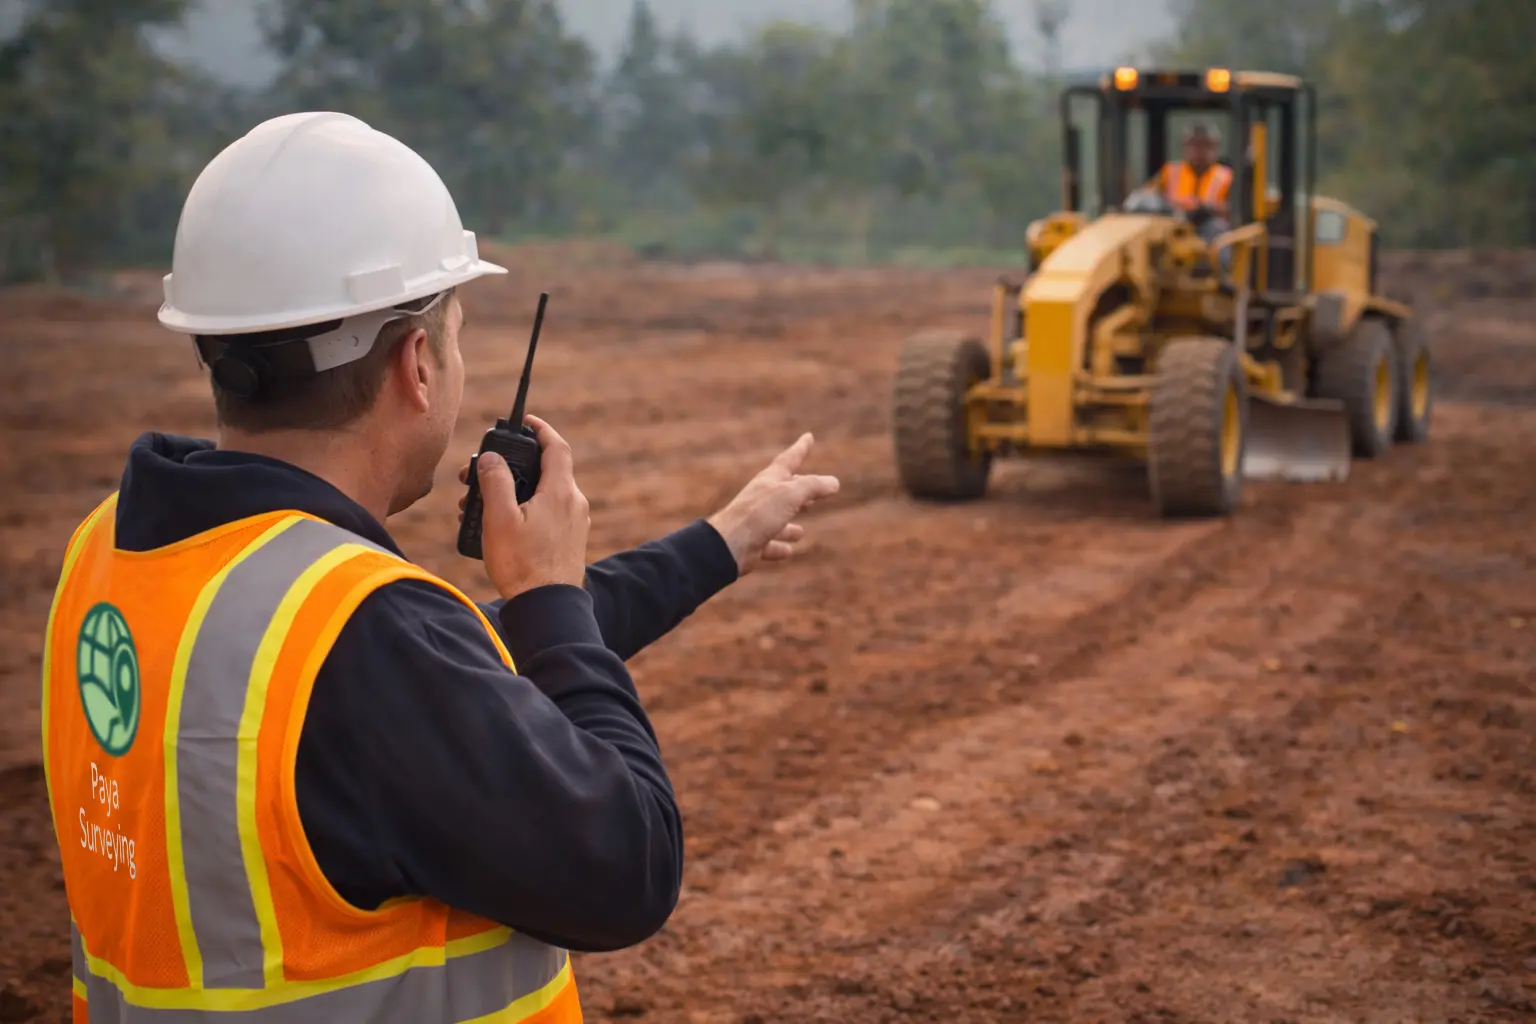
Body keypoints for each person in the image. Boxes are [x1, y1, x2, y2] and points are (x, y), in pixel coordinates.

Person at [41, 111, 840, 1023]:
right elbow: (630, 867)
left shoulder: (117, 548)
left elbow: (445, 673)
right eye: (454, 335)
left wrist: (717, 544)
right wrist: (546, 595)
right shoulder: (362, 635)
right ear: (417, 363)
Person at [1148, 121, 1234, 246]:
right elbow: (1147, 196)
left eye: (1206, 145)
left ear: (1216, 147)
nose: (1200, 150)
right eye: (1194, 145)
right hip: (1172, 233)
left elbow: (1234, 212)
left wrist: (1210, 210)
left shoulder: (1226, 176)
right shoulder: (1170, 172)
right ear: (1184, 147)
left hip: (1211, 237)